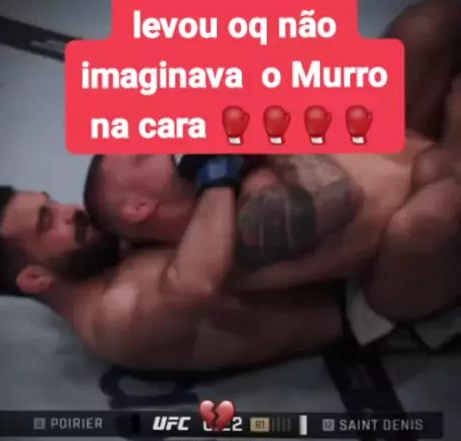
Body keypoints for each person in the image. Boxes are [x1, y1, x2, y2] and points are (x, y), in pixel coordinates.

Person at [83, 0, 461, 320]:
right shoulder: (223, 239)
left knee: (429, 24)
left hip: (408, 151)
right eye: (143, 151)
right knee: (433, 208)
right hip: (411, 248)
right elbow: (340, 195)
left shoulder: (226, 181)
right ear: (138, 206)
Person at [0, 158, 342, 369]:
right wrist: (216, 169)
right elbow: (195, 285)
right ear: (34, 277)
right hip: (345, 293)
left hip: (323, 245)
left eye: (53, 202)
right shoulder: (114, 318)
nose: (71, 210)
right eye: (47, 222)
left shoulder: (100, 262)